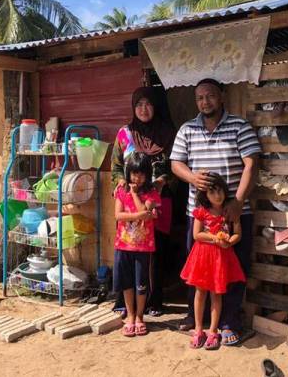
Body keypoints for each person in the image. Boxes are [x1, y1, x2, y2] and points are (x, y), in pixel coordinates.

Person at [170, 78, 261, 346]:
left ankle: (230, 321)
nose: (205, 102)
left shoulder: (239, 126)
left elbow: (251, 165)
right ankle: (196, 319)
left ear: (221, 96)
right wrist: (191, 178)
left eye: (210, 96)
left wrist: (238, 201)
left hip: (232, 214)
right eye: (199, 97)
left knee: (232, 270)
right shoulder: (187, 129)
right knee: (198, 270)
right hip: (198, 216)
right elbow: (176, 163)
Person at [111, 86, 175, 317]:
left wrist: (161, 181)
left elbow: (175, 165)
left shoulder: (168, 133)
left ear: (156, 106)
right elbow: (117, 167)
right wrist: (121, 182)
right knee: (128, 251)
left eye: (148, 104)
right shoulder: (124, 134)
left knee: (154, 253)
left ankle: (154, 302)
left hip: (158, 201)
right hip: (129, 204)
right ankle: (124, 304)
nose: (143, 109)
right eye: (139, 104)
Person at [180, 174, 245, 350]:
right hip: (202, 257)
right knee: (200, 293)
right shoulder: (202, 211)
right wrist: (215, 238)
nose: (218, 195)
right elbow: (196, 235)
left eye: (220, 191)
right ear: (205, 195)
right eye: (212, 192)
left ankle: (213, 330)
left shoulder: (229, 211)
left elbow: (237, 233)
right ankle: (199, 329)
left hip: (222, 258)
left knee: (217, 294)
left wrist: (229, 242)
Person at [113, 152, 161, 337]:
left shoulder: (152, 193)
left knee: (141, 283)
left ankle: (141, 316)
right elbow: (118, 215)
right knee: (127, 283)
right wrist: (138, 216)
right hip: (123, 245)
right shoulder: (120, 190)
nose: (136, 178)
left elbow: (144, 210)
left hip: (144, 247)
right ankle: (131, 316)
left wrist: (133, 194)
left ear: (148, 174)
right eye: (133, 173)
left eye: (141, 174)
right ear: (128, 172)